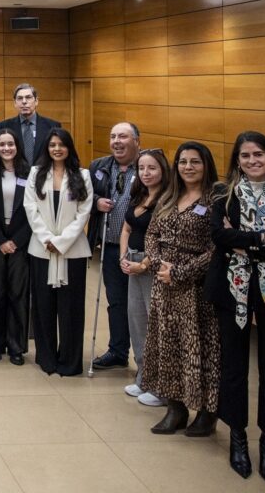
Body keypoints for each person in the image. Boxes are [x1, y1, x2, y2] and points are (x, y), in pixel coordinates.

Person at [208, 131, 265, 484]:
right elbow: (220, 236)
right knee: (234, 367)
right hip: (233, 292)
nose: (252, 161)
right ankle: (237, 437)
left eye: (258, 154)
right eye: (245, 156)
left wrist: (245, 242)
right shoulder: (223, 196)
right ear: (237, 161)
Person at [141, 141, 220, 436]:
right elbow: (151, 234)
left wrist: (182, 272)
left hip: (197, 288)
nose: (188, 167)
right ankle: (175, 408)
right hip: (164, 285)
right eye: (183, 162)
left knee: (199, 350)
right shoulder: (169, 197)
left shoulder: (216, 200)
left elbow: (217, 247)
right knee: (168, 347)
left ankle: (207, 413)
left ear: (206, 165)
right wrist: (158, 263)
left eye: (195, 162)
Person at [23, 128, 93, 376]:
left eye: (61, 145)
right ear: (47, 148)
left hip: (73, 251)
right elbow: (30, 208)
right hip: (41, 250)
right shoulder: (36, 173)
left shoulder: (82, 175)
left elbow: (83, 212)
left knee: (71, 308)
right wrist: (47, 239)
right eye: (52, 145)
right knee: (43, 306)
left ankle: (70, 361)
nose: (57, 149)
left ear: (69, 147)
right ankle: (47, 358)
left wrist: (62, 242)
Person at [118, 148, 169, 406]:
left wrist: (144, 264)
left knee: (155, 325)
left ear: (163, 170)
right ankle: (143, 377)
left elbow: (164, 240)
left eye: (152, 168)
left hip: (153, 268)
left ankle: (161, 386)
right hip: (133, 263)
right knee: (137, 322)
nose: (146, 173)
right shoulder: (139, 195)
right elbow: (127, 227)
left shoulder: (168, 200)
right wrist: (123, 256)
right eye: (141, 168)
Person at [89, 122, 142, 371]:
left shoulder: (146, 166)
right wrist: (96, 201)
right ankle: (118, 351)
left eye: (123, 136)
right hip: (109, 246)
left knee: (140, 305)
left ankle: (146, 357)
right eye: (113, 137)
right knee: (116, 301)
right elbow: (82, 194)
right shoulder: (99, 166)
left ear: (137, 141)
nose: (116, 142)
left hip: (139, 249)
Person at [0, 127, 32, 365]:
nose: (6, 148)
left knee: (18, 294)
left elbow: (34, 211)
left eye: (10, 144)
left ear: (17, 146)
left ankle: (16, 347)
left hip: (21, 242)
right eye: (1, 144)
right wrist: (0, 241)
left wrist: (16, 241)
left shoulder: (29, 173)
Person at [0, 83, 61, 166]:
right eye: (20, 98)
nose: (24, 102)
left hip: (44, 172)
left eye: (28, 97)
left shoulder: (52, 126)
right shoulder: (5, 126)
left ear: (36, 101)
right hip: (16, 172)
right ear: (15, 103)